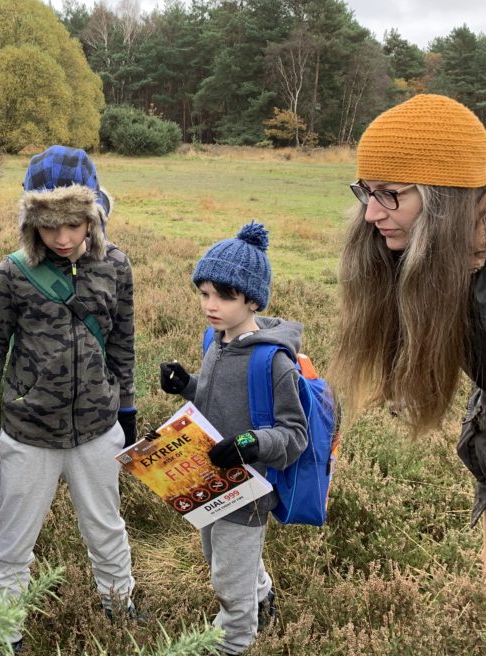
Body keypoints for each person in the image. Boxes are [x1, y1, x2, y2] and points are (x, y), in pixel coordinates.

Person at [329, 93, 486, 656]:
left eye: (391, 194)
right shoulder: (455, 245)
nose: (371, 213)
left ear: (445, 197)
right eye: (366, 191)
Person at [0, 145, 138, 653]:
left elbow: (123, 345)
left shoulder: (118, 267)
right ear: (31, 222)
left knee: (107, 529)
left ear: (93, 216)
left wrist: (126, 411)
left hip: (98, 432)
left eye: (74, 224)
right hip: (28, 435)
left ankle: (120, 609)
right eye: (49, 226)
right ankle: (3, 635)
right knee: (13, 544)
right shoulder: (13, 272)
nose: (62, 238)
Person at [159, 221, 307, 656]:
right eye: (204, 293)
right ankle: (261, 594)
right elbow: (213, 390)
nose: (211, 305)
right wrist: (187, 383)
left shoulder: (274, 362)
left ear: (253, 299)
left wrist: (251, 444)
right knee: (218, 559)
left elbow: (293, 435)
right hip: (211, 480)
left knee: (227, 579)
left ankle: (235, 641)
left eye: (223, 296)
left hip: (249, 489)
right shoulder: (217, 340)